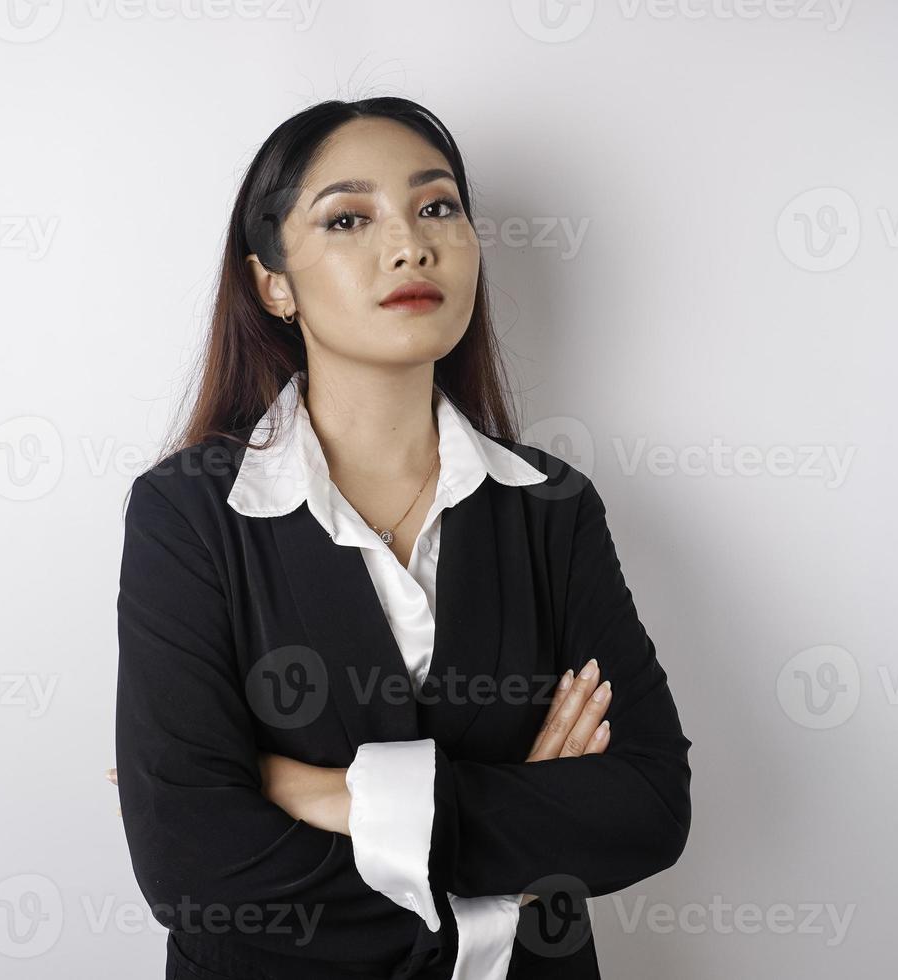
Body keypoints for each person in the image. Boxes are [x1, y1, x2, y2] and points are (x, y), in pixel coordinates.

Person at [112, 96, 692, 980]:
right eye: (348, 218)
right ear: (273, 282)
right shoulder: (188, 514)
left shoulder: (551, 506)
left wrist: (320, 792)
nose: (410, 244)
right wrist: (515, 852)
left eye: (438, 207)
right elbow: (193, 866)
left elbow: (648, 807)